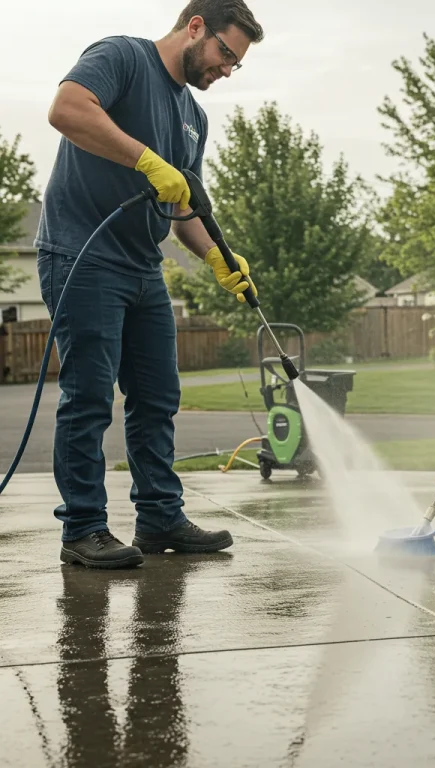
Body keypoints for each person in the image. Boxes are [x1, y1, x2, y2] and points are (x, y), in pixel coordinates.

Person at [35, 0, 264, 568]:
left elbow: (184, 205)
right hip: (82, 254)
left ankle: (160, 516)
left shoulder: (194, 116)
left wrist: (219, 256)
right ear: (195, 27)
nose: (227, 70)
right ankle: (83, 530)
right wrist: (145, 159)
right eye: (224, 54)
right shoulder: (122, 57)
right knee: (88, 399)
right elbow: (66, 109)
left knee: (158, 398)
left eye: (236, 63)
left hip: (142, 267)